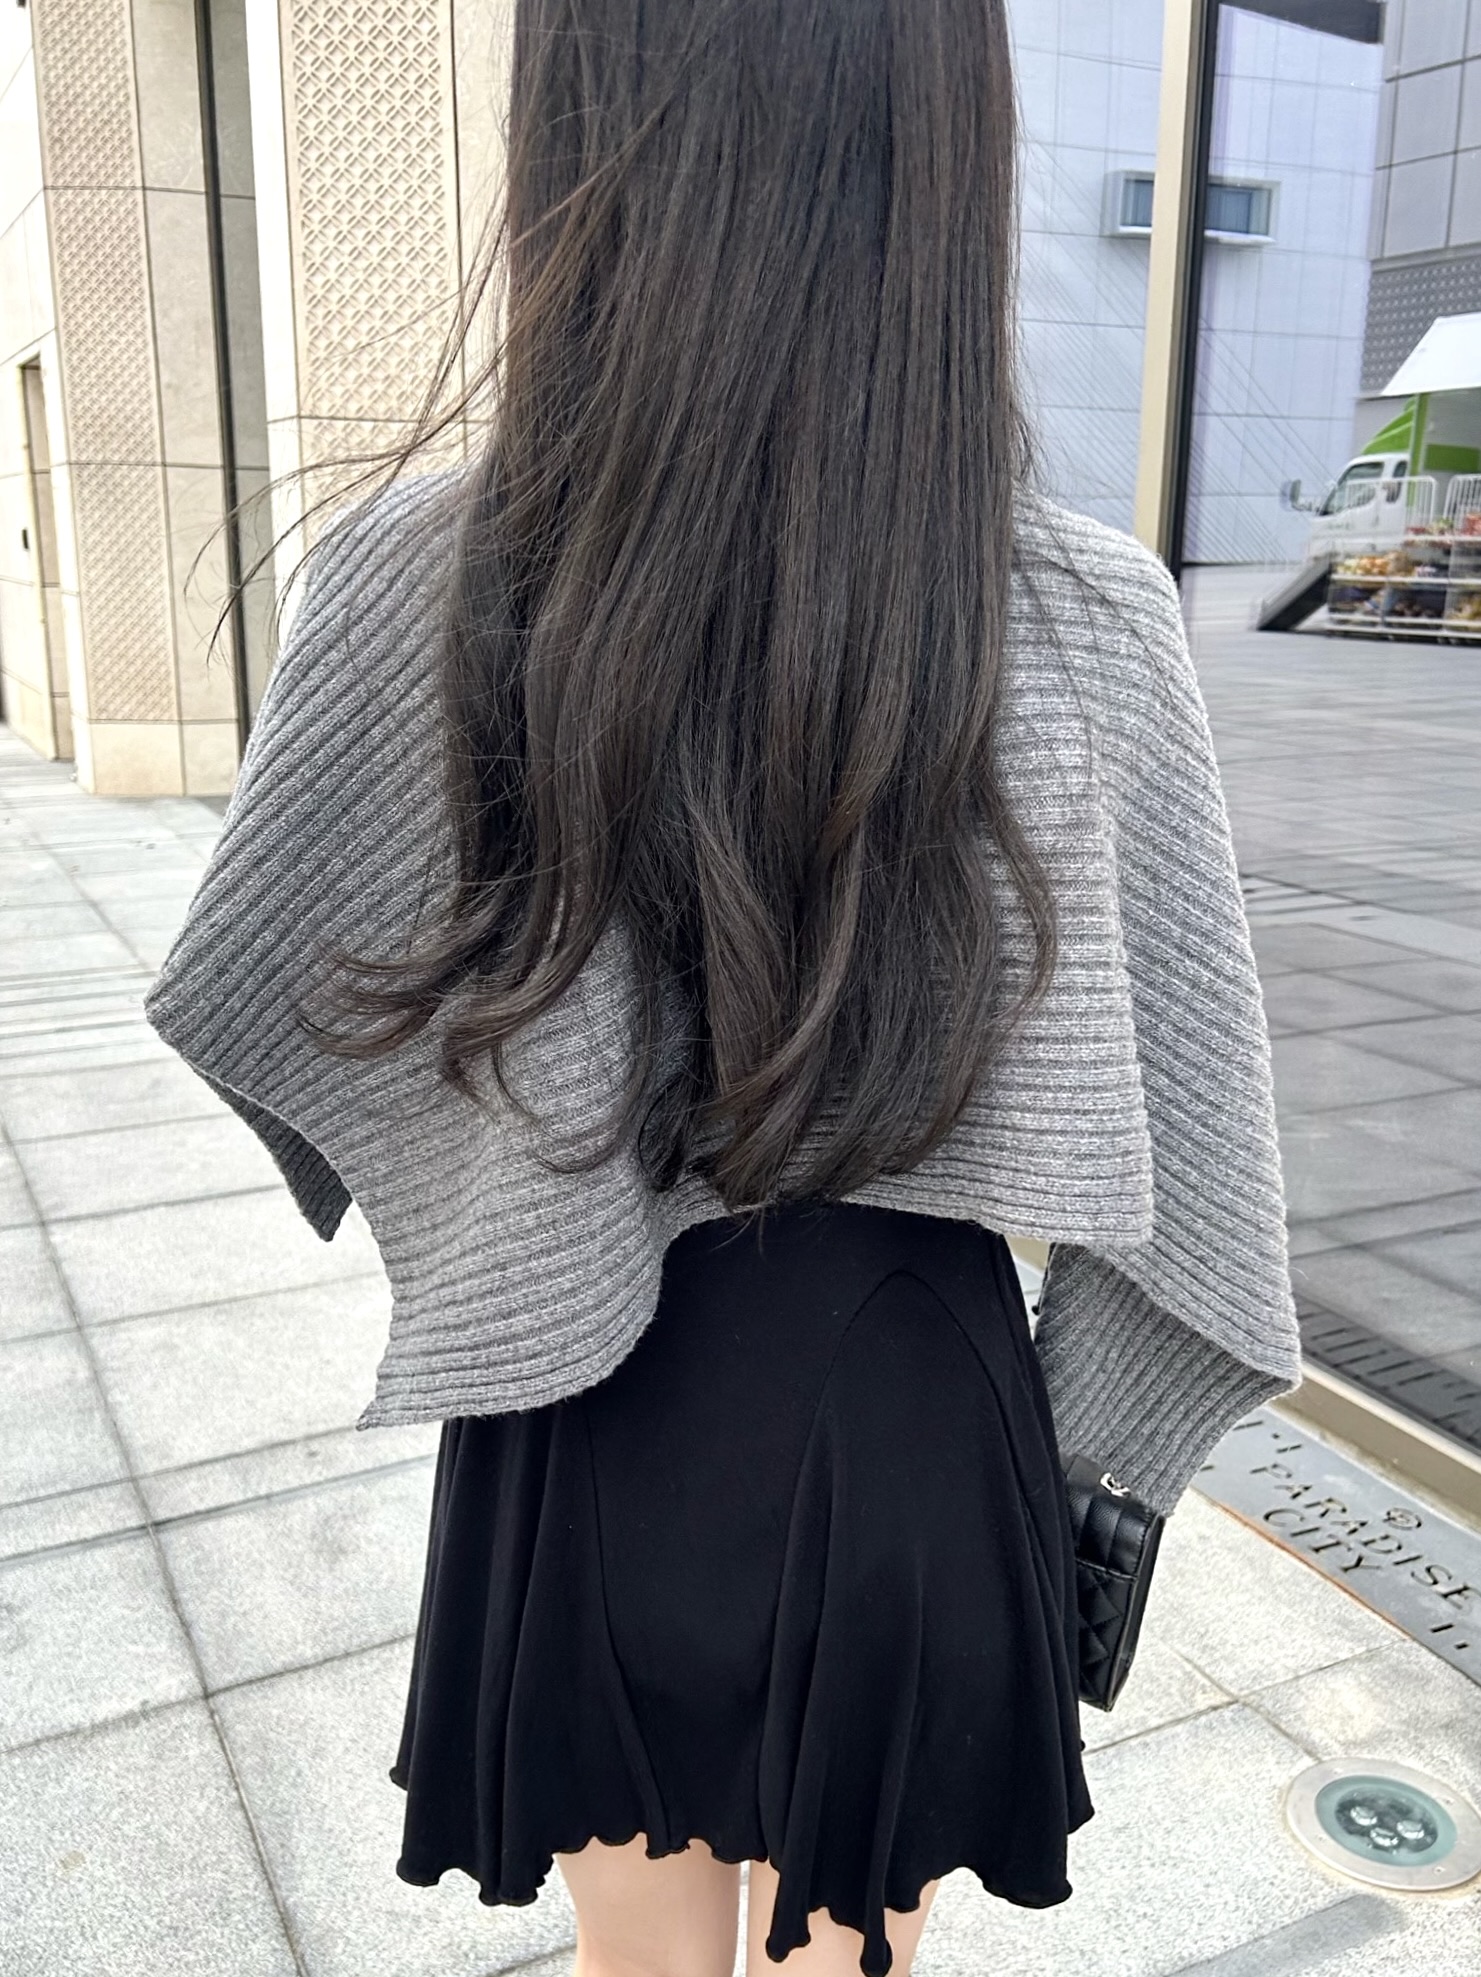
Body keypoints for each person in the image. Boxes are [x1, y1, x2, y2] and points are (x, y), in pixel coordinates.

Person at [144, 2, 1302, 1973]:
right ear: (949, 157)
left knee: (639, 1969)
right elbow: (1201, 1159)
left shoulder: (424, 572)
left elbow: (266, 985)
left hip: (576, 1396)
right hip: (913, 1406)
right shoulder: (1082, 610)